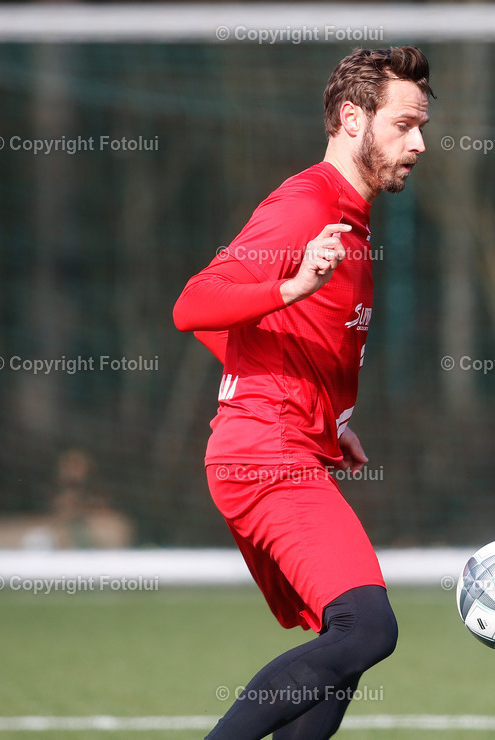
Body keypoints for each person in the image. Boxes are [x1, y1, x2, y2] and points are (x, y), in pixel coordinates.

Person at [172, 46, 432, 739]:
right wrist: (288, 286)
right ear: (352, 118)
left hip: (285, 443)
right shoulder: (307, 202)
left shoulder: (353, 215)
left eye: (421, 127)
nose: (420, 144)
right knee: (366, 627)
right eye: (404, 125)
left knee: (341, 646)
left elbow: (254, 334)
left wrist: (324, 410)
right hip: (263, 452)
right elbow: (195, 304)